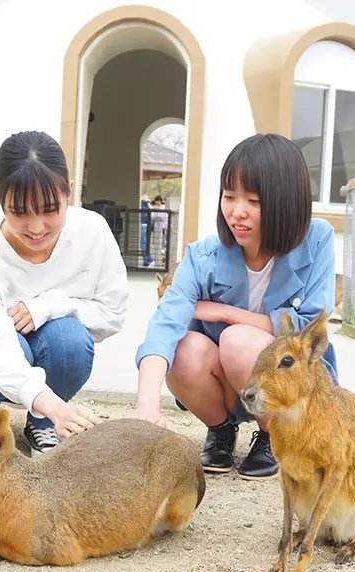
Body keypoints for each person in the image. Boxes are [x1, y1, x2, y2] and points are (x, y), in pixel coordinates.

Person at [131, 133, 338, 480]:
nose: (236, 212)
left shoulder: (317, 240)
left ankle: (274, 436)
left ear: (286, 202)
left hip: (293, 390)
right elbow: (166, 322)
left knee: (238, 339)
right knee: (182, 349)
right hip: (230, 385)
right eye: (229, 197)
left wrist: (228, 314)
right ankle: (222, 429)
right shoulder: (204, 256)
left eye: (253, 201)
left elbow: (307, 328)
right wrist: (146, 403)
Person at [0, 130, 129, 454]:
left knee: (71, 338)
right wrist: (57, 405)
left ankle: (42, 424)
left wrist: (49, 304)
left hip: (38, 348)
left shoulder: (93, 233)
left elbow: (112, 312)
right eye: (19, 211)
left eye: (50, 209)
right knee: (13, 341)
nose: (36, 227)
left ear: (68, 193)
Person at [150, 195, 169, 264]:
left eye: (159, 201)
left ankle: (162, 248)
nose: (157, 202)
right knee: (156, 240)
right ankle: (158, 251)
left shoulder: (163, 208)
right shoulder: (154, 208)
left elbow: (166, 218)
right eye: (156, 201)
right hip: (155, 227)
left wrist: (165, 226)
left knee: (163, 238)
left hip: (163, 226)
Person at [139, 193, 154, 267]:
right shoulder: (148, 206)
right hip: (148, 226)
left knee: (143, 244)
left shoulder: (142, 206)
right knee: (145, 244)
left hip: (143, 226)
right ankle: (147, 260)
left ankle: (148, 260)